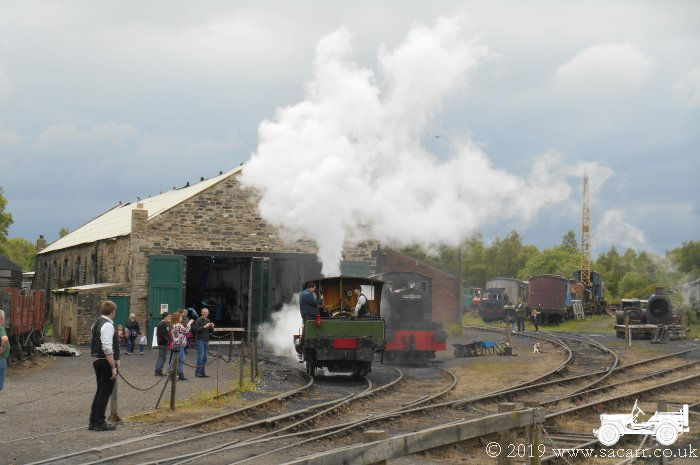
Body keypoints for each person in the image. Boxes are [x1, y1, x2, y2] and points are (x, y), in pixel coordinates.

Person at [89, 300, 119, 431]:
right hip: (105, 361)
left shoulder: (96, 324)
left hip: (97, 359)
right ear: (113, 311)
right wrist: (113, 366)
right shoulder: (107, 325)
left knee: (100, 391)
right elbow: (107, 348)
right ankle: (99, 422)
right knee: (105, 392)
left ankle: (93, 421)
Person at [193, 308, 213, 378]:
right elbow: (195, 330)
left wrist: (212, 327)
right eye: (204, 312)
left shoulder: (208, 320)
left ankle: (203, 372)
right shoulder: (198, 320)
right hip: (200, 340)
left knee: (205, 357)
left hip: (206, 339)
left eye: (206, 312)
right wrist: (204, 327)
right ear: (201, 313)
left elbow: (210, 331)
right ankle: (198, 372)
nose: (205, 314)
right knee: (201, 356)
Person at [169, 312, 187, 380]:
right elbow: (186, 331)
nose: (181, 318)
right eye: (180, 316)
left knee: (178, 359)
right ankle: (175, 374)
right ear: (178, 318)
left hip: (178, 344)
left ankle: (179, 374)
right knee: (178, 360)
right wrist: (189, 324)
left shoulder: (175, 325)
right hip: (179, 344)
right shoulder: (178, 325)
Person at [0, 310, 10, 415]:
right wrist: (2, 348)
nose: (4, 320)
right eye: (3, 318)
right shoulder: (1, 328)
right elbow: (4, 339)